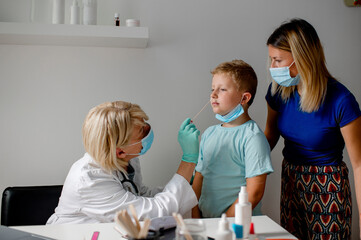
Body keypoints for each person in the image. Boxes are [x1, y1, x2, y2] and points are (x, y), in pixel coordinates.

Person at [265, 18, 361, 239]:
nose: (272, 68)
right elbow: (269, 136)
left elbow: (359, 165)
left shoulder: (341, 100)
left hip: (328, 187)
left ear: (302, 58)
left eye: (278, 60)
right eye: (271, 59)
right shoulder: (279, 92)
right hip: (291, 181)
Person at [47, 101, 200, 224]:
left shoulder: (128, 158)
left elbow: (139, 196)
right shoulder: (89, 180)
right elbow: (154, 212)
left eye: (145, 124)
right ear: (119, 151)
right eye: (142, 132)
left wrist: (185, 183)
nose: (149, 131)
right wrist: (188, 160)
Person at [192, 59, 274, 218]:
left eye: (222, 89)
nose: (213, 94)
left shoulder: (253, 137)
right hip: (207, 224)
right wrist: (195, 217)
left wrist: (224, 224)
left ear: (244, 98)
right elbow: (199, 177)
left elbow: (254, 193)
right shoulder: (209, 134)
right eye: (212, 88)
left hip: (236, 227)